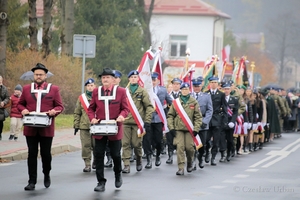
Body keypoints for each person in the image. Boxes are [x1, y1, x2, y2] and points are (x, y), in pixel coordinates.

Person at [17, 63, 64, 191]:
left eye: (41, 74)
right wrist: (24, 110)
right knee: (31, 154)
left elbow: (60, 106)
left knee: (46, 154)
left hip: (46, 128)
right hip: (30, 128)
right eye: (36, 74)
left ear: (45, 75)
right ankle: (31, 181)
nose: (38, 76)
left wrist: (54, 111)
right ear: (33, 75)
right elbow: (19, 105)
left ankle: (46, 173)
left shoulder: (53, 89)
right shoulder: (26, 88)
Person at [88, 68, 129, 192]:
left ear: (113, 79)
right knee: (99, 155)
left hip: (115, 128)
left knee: (116, 155)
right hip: (100, 128)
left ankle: (118, 174)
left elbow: (125, 108)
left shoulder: (121, 91)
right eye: (103, 77)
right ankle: (101, 182)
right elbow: (91, 109)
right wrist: (92, 118)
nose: (105, 79)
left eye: (108, 77)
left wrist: (122, 116)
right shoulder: (96, 91)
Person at [122, 70, 154, 173]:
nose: (133, 79)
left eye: (135, 77)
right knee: (125, 144)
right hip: (125, 122)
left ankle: (139, 159)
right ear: (129, 79)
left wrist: (147, 121)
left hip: (137, 123)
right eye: (131, 77)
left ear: (138, 79)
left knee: (136, 144)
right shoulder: (124, 92)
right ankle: (126, 164)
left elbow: (149, 107)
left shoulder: (142, 91)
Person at [167, 82, 202, 175]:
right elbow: (170, 116)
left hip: (190, 130)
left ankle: (189, 162)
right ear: (181, 90)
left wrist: (196, 129)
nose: (185, 91)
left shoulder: (194, 102)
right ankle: (181, 167)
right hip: (178, 129)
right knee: (180, 148)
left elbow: (198, 117)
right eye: (183, 89)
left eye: (186, 89)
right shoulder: (176, 102)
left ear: (189, 90)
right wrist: (171, 128)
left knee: (190, 148)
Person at [143, 72, 172, 169]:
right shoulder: (145, 90)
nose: (153, 82)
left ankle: (158, 155)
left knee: (158, 140)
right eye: (151, 80)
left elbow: (170, 102)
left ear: (158, 81)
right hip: (147, 118)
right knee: (147, 139)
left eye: (154, 80)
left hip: (158, 119)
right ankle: (148, 159)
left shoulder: (163, 90)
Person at [74, 78, 97, 172]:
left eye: (92, 85)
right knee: (85, 145)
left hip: (96, 126)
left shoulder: (99, 96)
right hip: (84, 126)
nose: (90, 87)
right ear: (86, 87)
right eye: (88, 86)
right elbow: (77, 112)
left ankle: (96, 160)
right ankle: (87, 164)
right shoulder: (81, 98)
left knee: (96, 145)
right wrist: (76, 125)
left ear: (95, 86)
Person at [205, 76, 227, 166]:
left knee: (216, 141)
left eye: (215, 82)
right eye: (212, 82)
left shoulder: (221, 94)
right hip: (207, 120)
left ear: (217, 84)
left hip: (217, 119)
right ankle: (207, 153)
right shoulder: (205, 94)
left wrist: (225, 121)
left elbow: (225, 108)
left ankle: (213, 157)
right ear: (209, 84)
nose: (213, 84)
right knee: (206, 140)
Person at [191, 77, 213, 169]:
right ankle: (193, 161)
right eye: (195, 86)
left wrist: (205, 121)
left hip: (203, 123)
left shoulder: (206, 96)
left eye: (198, 86)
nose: (196, 88)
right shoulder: (189, 96)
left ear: (201, 86)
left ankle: (200, 158)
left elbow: (209, 110)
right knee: (192, 144)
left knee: (202, 144)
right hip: (192, 123)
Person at [219, 82, 238, 162]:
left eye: (228, 89)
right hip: (222, 122)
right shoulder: (220, 98)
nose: (226, 91)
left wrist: (233, 122)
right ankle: (223, 154)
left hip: (230, 122)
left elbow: (235, 112)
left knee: (230, 139)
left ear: (230, 90)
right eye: (225, 89)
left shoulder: (234, 99)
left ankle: (229, 152)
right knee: (222, 139)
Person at [165, 77, 182, 164]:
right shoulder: (167, 95)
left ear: (180, 85)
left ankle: (180, 156)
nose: (175, 86)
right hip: (170, 119)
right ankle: (170, 156)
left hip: (180, 120)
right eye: (174, 84)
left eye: (177, 84)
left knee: (180, 139)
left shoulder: (183, 95)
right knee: (169, 138)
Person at [0, 75, 10, 140]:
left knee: (0, 123)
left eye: (0, 80)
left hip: (1, 109)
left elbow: (7, 97)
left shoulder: (4, 88)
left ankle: (0, 133)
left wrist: (4, 102)